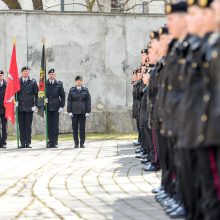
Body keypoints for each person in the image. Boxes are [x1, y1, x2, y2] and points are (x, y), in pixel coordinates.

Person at [17, 66, 38, 148]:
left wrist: (35, 105)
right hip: (20, 107)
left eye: (27, 71)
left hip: (29, 107)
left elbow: (36, 94)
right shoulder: (17, 82)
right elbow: (14, 94)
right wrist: (14, 102)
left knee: (28, 126)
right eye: (24, 71)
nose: (25, 72)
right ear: (21, 73)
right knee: (21, 126)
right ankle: (22, 142)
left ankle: (28, 142)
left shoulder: (32, 82)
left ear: (28, 72)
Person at [67, 76, 91, 148]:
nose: (79, 82)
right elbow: (69, 101)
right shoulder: (72, 90)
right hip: (74, 112)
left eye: (80, 80)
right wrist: (69, 111)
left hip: (83, 112)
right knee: (75, 129)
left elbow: (88, 101)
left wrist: (88, 111)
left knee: (82, 129)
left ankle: (82, 143)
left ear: (82, 81)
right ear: (75, 81)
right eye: (77, 80)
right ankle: (76, 143)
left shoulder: (85, 90)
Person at [46, 69, 65, 148]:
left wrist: (62, 106)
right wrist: (43, 101)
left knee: (55, 125)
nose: (51, 75)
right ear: (48, 75)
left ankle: (55, 142)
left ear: (55, 75)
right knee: (49, 125)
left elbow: (63, 96)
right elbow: (40, 94)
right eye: (50, 74)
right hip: (48, 107)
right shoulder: (44, 84)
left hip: (56, 107)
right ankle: (50, 142)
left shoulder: (59, 84)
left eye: (53, 74)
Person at [0, 71, 7, 149]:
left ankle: (3, 142)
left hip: (4, 109)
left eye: (1, 75)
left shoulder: (6, 85)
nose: (0, 76)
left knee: (4, 127)